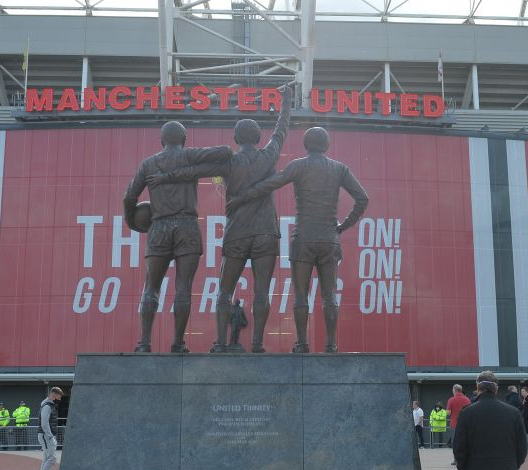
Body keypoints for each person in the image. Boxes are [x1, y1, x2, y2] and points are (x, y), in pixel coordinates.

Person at [151, 85, 292, 353]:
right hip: (266, 233)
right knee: (262, 290)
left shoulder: (228, 162)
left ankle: (219, 343)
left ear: (236, 138)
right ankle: (258, 344)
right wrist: (286, 100)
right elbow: (282, 128)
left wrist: (166, 177)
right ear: (259, 137)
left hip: (237, 232)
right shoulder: (270, 154)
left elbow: (194, 169)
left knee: (225, 291)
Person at [226, 125, 369, 353]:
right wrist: (343, 225)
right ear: (327, 145)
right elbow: (362, 198)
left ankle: (302, 344)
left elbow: (269, 184)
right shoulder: (339, 169)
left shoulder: (298, 166)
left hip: (303, 238)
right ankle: (331, 345)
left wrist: (241, 198)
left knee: (301, 295)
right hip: (329, 239)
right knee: (329, 294)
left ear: (305, 144)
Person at [124, 120, 233, 353]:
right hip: (187, 226)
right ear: (184, 140)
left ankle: (144, 344)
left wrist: (132, 223)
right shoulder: (189, 155)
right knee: (183, 287)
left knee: (150, 288)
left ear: (162, 141)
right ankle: (178, 343)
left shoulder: (148, 163)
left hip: (159, 227)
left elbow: (129, 197)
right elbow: (225, 152)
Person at [35, 387, 63, 470]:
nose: (60, 397)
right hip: (46, 436)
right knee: (52, 458)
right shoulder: (47, 406)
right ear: (54, 394)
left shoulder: (48, 404)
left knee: (47, 458)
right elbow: (44, 423)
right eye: (59, 395)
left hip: (46, 435)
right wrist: (50, 436)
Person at [445, 384, 471, 466]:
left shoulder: (451, 400)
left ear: (455, 390)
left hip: (455, 424)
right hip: (466, 424)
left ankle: (456, 459)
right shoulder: (467, 400)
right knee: (466, 441)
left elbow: (448, 413)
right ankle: (466, 458)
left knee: (455, 442)